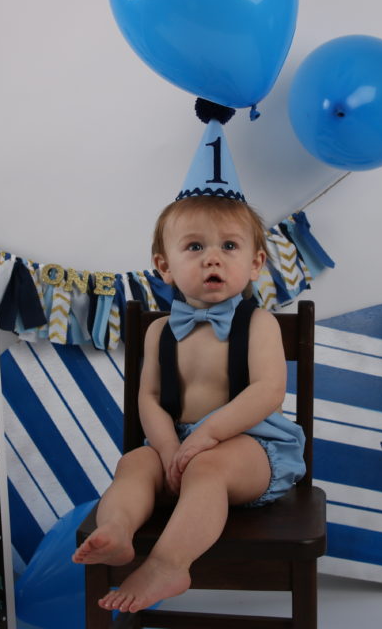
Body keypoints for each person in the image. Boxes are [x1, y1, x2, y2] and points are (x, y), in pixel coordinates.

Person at [72, 193, 306, 614]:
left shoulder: (258, 323)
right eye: (195, 247)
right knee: (134, 464)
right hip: (176, 447)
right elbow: (151, 397)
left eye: (229, 246)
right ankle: (117, 530)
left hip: (251, 448)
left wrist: (208, 435)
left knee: (208, 465)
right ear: (165, 266)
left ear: (255, 264)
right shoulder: (159, 331)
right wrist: (165, 449)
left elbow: (268, 390)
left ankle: (168, 564)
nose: (211, 259)